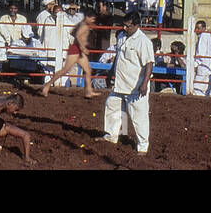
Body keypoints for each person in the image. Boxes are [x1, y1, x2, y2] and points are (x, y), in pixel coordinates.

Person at [103, 12, 155, 154]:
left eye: (128, 26)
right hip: (120, 83)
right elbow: (118, 57)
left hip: (135, 86)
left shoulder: (143, 41)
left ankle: (143, 146)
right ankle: (111, 136)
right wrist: (110, 72)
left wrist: (144, 83)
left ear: (137, 26)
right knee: (111, 105)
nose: (125, 28)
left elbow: (149, 63)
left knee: (139, 117)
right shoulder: (121, 36)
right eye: (124, 25)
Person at [41, 9, 97, 97]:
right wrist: (83, 47)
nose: (93, 21)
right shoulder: (84, 26)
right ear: (87, 17)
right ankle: (47, 85)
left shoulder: (82, 24)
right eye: (92, 19)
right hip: (75, 50)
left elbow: (74, 34)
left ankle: (89, 91)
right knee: (65, 70)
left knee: (87, 70)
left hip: (78, 50)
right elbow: (78, 36)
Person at [192, 20, 211, 96]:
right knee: (205, 91)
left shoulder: (203, 36)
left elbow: (201, 54)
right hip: (207, 67)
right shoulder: (207, 36)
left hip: (203, 68)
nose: (196, 30)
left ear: (203, 28)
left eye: (198, 28)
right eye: (196, 28)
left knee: (197, 89)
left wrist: (195, 65)